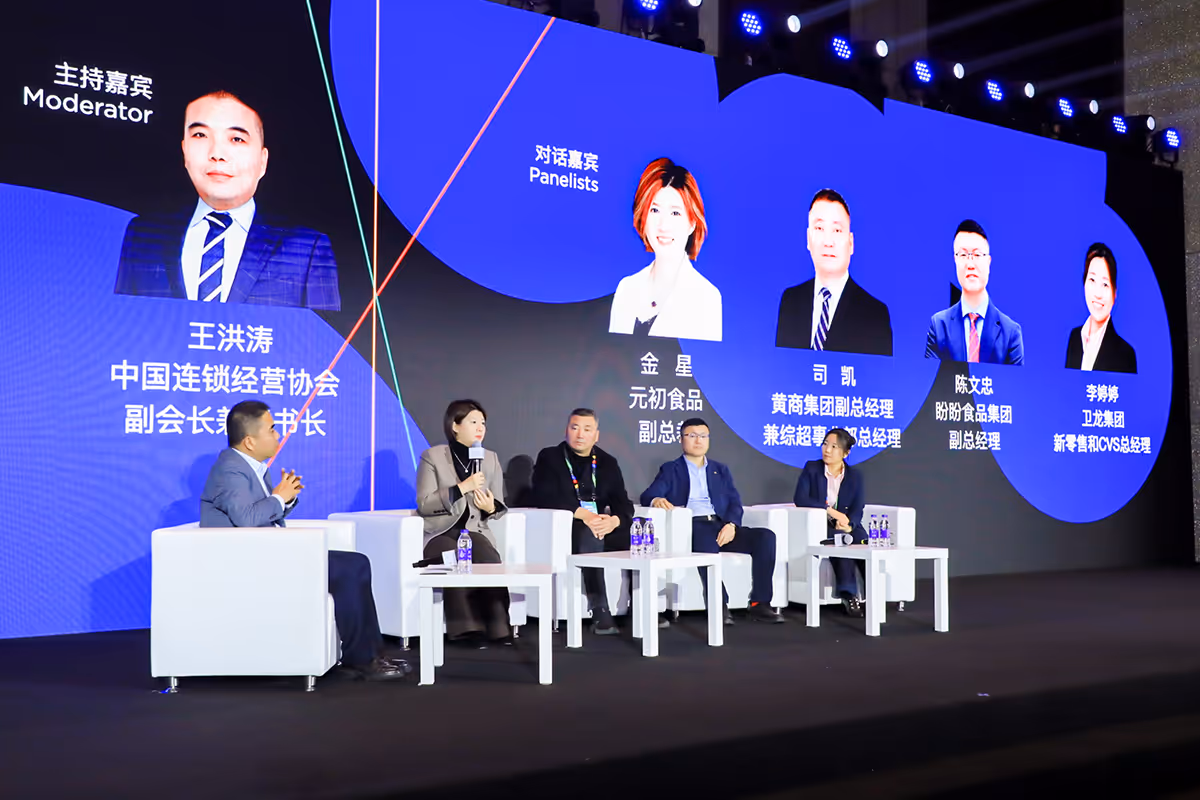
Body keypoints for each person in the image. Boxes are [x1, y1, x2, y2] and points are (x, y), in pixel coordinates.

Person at [199, 400, 408, 681]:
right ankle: (362, 658)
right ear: (249, 441)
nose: (278, 435)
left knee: (357, 563)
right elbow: (247, 518)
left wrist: (284, 499)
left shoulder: (250, 467)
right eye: (272, 429)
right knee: (348, 568)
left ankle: (370, 654)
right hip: (248, 563)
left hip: (265, 553)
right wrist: (279, 497)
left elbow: (257, 514)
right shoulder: (230, 470)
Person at [114, 90, 340, 309]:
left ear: (262, 161)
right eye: (200, 135)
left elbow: (326, 333)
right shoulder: (143, 235)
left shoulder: (306, 248)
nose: (217, 154)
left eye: (237, 139)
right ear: (184, 151)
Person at [641, 418, 785, 625]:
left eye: (703, 436)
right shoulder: (671, 469)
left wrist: (731, 525)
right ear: (681, 439)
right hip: (694, 525)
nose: (698, 440)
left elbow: (735, 502)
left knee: (765, 537)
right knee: (705, 540)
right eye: (692, 435)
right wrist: (656, 500)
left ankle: (760, 603)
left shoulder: (720, 469)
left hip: (721, 524)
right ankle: (719, 604)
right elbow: (648, 495)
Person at [530, 408, 645, 635]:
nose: (580, 434)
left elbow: (623, 502)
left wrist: (614, 521)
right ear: (566, 430)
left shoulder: (607, 462)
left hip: (602, 525)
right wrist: (586, 516)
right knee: (589, 533)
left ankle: (641, 605)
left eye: (587, 429)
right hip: (570, 526)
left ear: (596, 435)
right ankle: (599, 608)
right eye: (575, 428)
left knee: (637, 533)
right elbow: (544, 495)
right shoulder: (550, 457)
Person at [415, 400, 513, 646]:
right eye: (473, 422)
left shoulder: (489, 459)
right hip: (440, 531)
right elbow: (424, 504)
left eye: (483, 423)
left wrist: (490, 507)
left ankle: (499, 626)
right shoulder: (433, 457)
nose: (480, 428)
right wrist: (462, 488)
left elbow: (499, 503)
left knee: (487, 556)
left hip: (474, 531)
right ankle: (465, 629)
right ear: (455, 426)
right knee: (452, 556)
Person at [609, 158, 722, 341]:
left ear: (692, 223)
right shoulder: (626, 288)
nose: (663, 225)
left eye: (675, 213)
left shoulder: (706, 297)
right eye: (654, 210)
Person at [775, 188, 892, 356]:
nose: (828, 241)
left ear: (851, 243)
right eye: (819, 228)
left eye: (837, 230)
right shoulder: (790, 300)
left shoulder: (875, 314)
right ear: (808, 239)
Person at [925, 219, 1024, 365]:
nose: (970, 264)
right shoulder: (939, 326)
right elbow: (929, 377)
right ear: (955, 260)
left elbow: (1014, 380)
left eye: (977, 255)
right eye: (963, 255)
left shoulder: (1010, 333)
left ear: (988, 262)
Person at [793, 428, 867, 617]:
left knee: (864, 541)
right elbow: (800, 498)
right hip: (822, 525)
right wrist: (831, 511)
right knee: (840, 542)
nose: (827, 450)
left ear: (845, 453)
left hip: (847, 526)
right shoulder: (812, 468)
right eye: (825, 444)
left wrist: (850, 525)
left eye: (834, 447)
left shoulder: (855, 476)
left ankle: (873, 593)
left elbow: (858, 507)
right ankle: (849, 595)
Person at [1065, 242, 1137, 374]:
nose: (1098, 294)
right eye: (1092, 280)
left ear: (1114, 293)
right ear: (1084, 284)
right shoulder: (1075, 337)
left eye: (1105, 284)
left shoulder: (1126, 354)